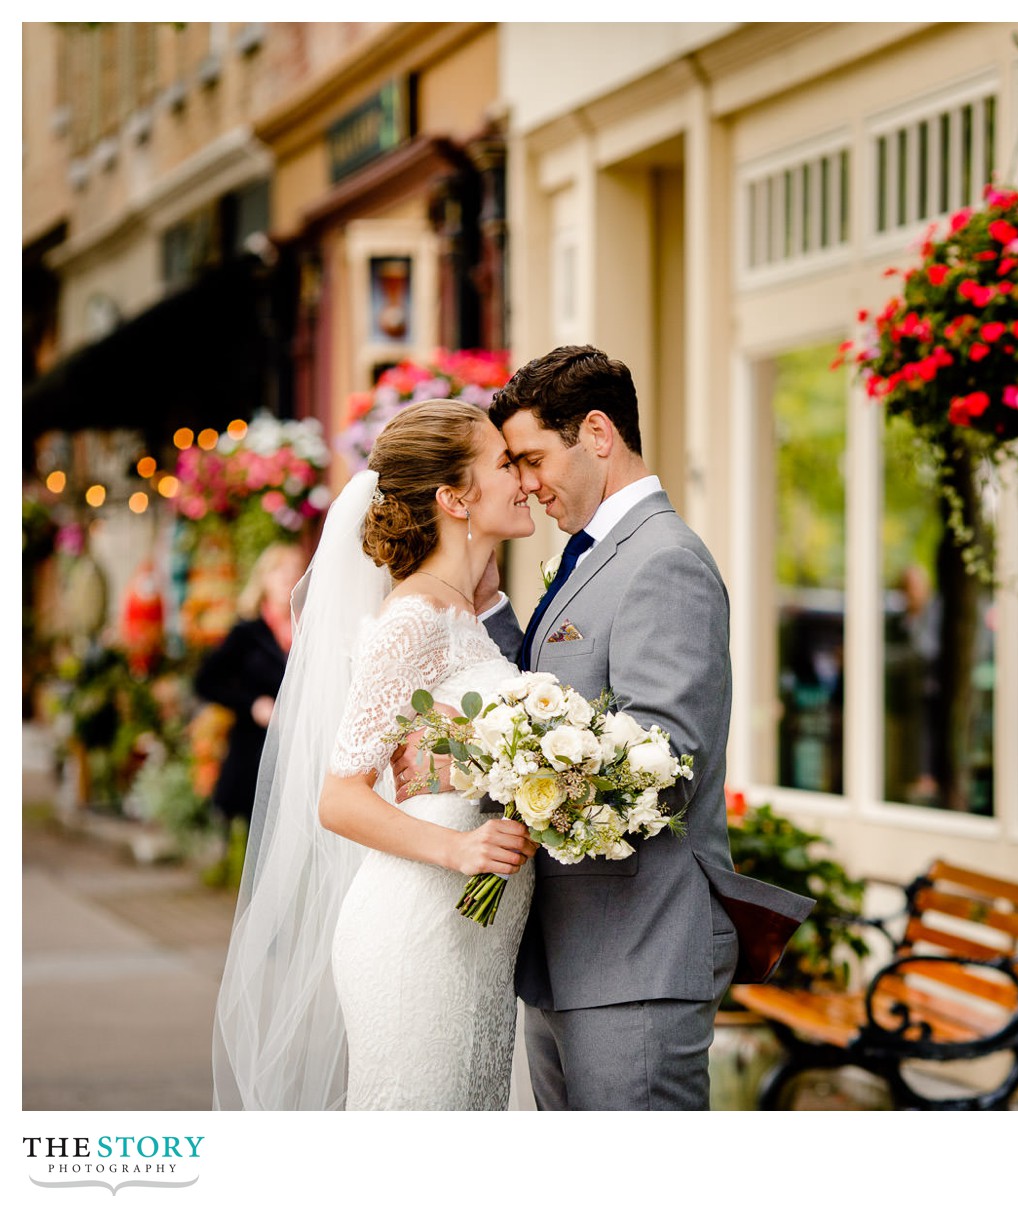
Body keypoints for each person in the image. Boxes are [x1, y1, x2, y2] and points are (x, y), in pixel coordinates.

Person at [483, 344, 812, 1110]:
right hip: (571, 949)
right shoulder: (589, 557)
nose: (526, 485)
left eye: (533, 459)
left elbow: (661, 762)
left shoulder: (663, 561)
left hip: (639, 951)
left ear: (597, 433)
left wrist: (528, 782)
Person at [211, 400, 540, 1110]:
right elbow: (340, 797)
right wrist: (460, 851)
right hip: (418, 933)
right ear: (454, 497)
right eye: (505, 463)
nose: (524, 478)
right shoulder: (415, 619)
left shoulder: (466, 614)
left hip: (474, 938)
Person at [193, 544, 306, 832]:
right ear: (264, 578)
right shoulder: (246, 633)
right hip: (255, 753)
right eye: (279, 570)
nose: (287, 577)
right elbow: (205, 682)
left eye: (294, 570)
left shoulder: (312, 629)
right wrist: (253, 703)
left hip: (302, 753)